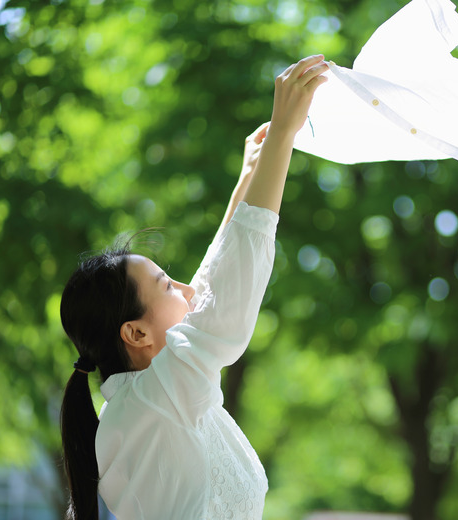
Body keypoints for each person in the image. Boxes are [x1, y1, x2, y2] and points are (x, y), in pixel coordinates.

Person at [59, 55, 329, 520]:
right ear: (136, 334)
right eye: (166, 285)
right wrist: (283, 136)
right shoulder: (153, 401)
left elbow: (208, 290)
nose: (185, 289)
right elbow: (219, 304)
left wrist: (248, 178)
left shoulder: (156, 395)